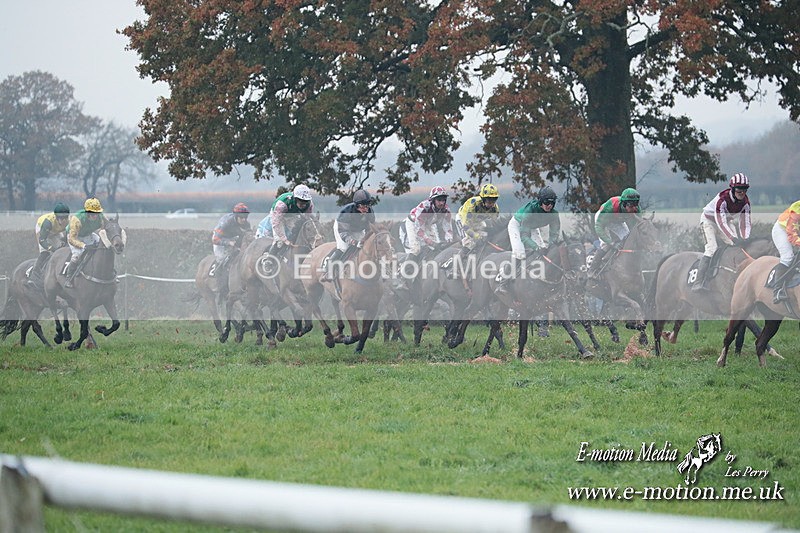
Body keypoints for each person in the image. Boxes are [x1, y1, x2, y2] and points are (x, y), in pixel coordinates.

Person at [692, 173, 752, 291]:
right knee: (712, 248)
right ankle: (698, 282)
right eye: (739, 189)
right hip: (709, 221)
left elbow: (745, 223)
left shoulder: (745, 203)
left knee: (736, 247)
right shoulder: (722, 199)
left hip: (725, 221)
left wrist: (745, 239)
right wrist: (733, 237)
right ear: (733, 188)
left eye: (745, 189)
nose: (742, 192)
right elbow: (721, 222)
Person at [497, 186, 560, 294]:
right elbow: (524, 236)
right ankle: (503, 281)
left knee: (544, 250)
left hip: (532, 227)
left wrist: (550, 246)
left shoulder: (554, 214)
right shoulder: (530, 211)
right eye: (546, 202)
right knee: (520, 253)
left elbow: (554, 234)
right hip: (517, 225)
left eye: (552, 203)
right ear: (540, 201)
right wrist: (535, 247)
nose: (549, 205)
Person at [587, 187, 641, 279]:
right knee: (605, 244)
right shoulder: (611, 207)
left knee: (627, 239)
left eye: (636, 205)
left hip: (617, 220)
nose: (634, 209)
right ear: (624, 204)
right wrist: (610, 242)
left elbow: (640, 225)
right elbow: (598, 227)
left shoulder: (636, 209)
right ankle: (592, 269)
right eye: (631, 206)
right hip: (603, 220)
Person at [323, 189, 376, 282]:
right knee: (344, 248)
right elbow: (344, 233)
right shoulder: (347, 212)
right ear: (357, 205)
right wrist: (354, 242)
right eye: (363, 206)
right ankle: (328, 271)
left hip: (358, 229)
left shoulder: (370, 212)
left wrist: (365, 240)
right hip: (342, 228)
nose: (366, 209)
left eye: (367, 205)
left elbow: (370, 229)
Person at [258, 184, 315, 261]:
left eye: (305, 201)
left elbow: (307, 219)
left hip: (291, 216)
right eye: (300, 201)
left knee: (296, 234)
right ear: (295, 199)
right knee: (280, 241)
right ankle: (269, 260)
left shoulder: (309, 205)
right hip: (278, 216)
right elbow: (276, 223)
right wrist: (285, 240)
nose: (303, 204)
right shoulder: (282, 205)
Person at [453, 183, 500, 273]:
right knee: (469, 242)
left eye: (494, 200)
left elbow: (494, 225)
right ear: (483, 199)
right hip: (463, 221)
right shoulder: (473, 205)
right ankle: (454, 268)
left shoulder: (495, 209)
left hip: (477, 221)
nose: (492, 203)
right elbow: (466, 227)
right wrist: (477, 236)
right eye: (489, 200)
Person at [64, 198, 107, 288]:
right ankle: (69, 278)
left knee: (103, 245)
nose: (95, 215)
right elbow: (72, 239)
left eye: (97, 212)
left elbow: (105, 230)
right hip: (75, 236)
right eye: (92, 213)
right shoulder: (77, 219)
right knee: (77, 255)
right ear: (87, 212)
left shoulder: (101, 217)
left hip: (88, 234)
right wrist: (84, 246)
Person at [27, 202, 70, 287]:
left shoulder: (69, 221)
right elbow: (42, 240)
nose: (63, 220)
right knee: (45, 252)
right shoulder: (48, 222)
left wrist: (63, 244)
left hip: (55, 231)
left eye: (65, 218)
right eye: (60, 218)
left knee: (63, 250)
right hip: (43, 230)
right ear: (56, 217)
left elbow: (67, 236)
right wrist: (51, 248)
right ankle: (34, 275)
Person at [404, 186, 453, 257]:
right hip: (414, 223)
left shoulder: (446, 210)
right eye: (439, 200)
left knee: (436, 249)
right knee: (416, 250)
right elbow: (419, 231)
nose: (442, 203)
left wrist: (449, 241)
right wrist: (430, 242)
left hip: (428, 224)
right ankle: (406, 267)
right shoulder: (424, 208)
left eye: (443, 200)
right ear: (433, 200)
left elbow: (448, 228)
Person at [771, 200, 800, 303]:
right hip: (782, 230)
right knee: (788, 257)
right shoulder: (797, 208)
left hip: (795, 231)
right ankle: (777, 291)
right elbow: (791, 233)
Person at [212, 202, 251, 274]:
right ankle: (218, 277)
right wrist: (228, 242)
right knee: (221, 258)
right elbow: (215, 240)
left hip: (233, 238)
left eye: (245, 217)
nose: (244, 220)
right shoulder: (225, 223)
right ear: (236, 216)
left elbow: (246, 237)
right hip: (220, 238)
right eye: (241, 217)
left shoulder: (246, 224)